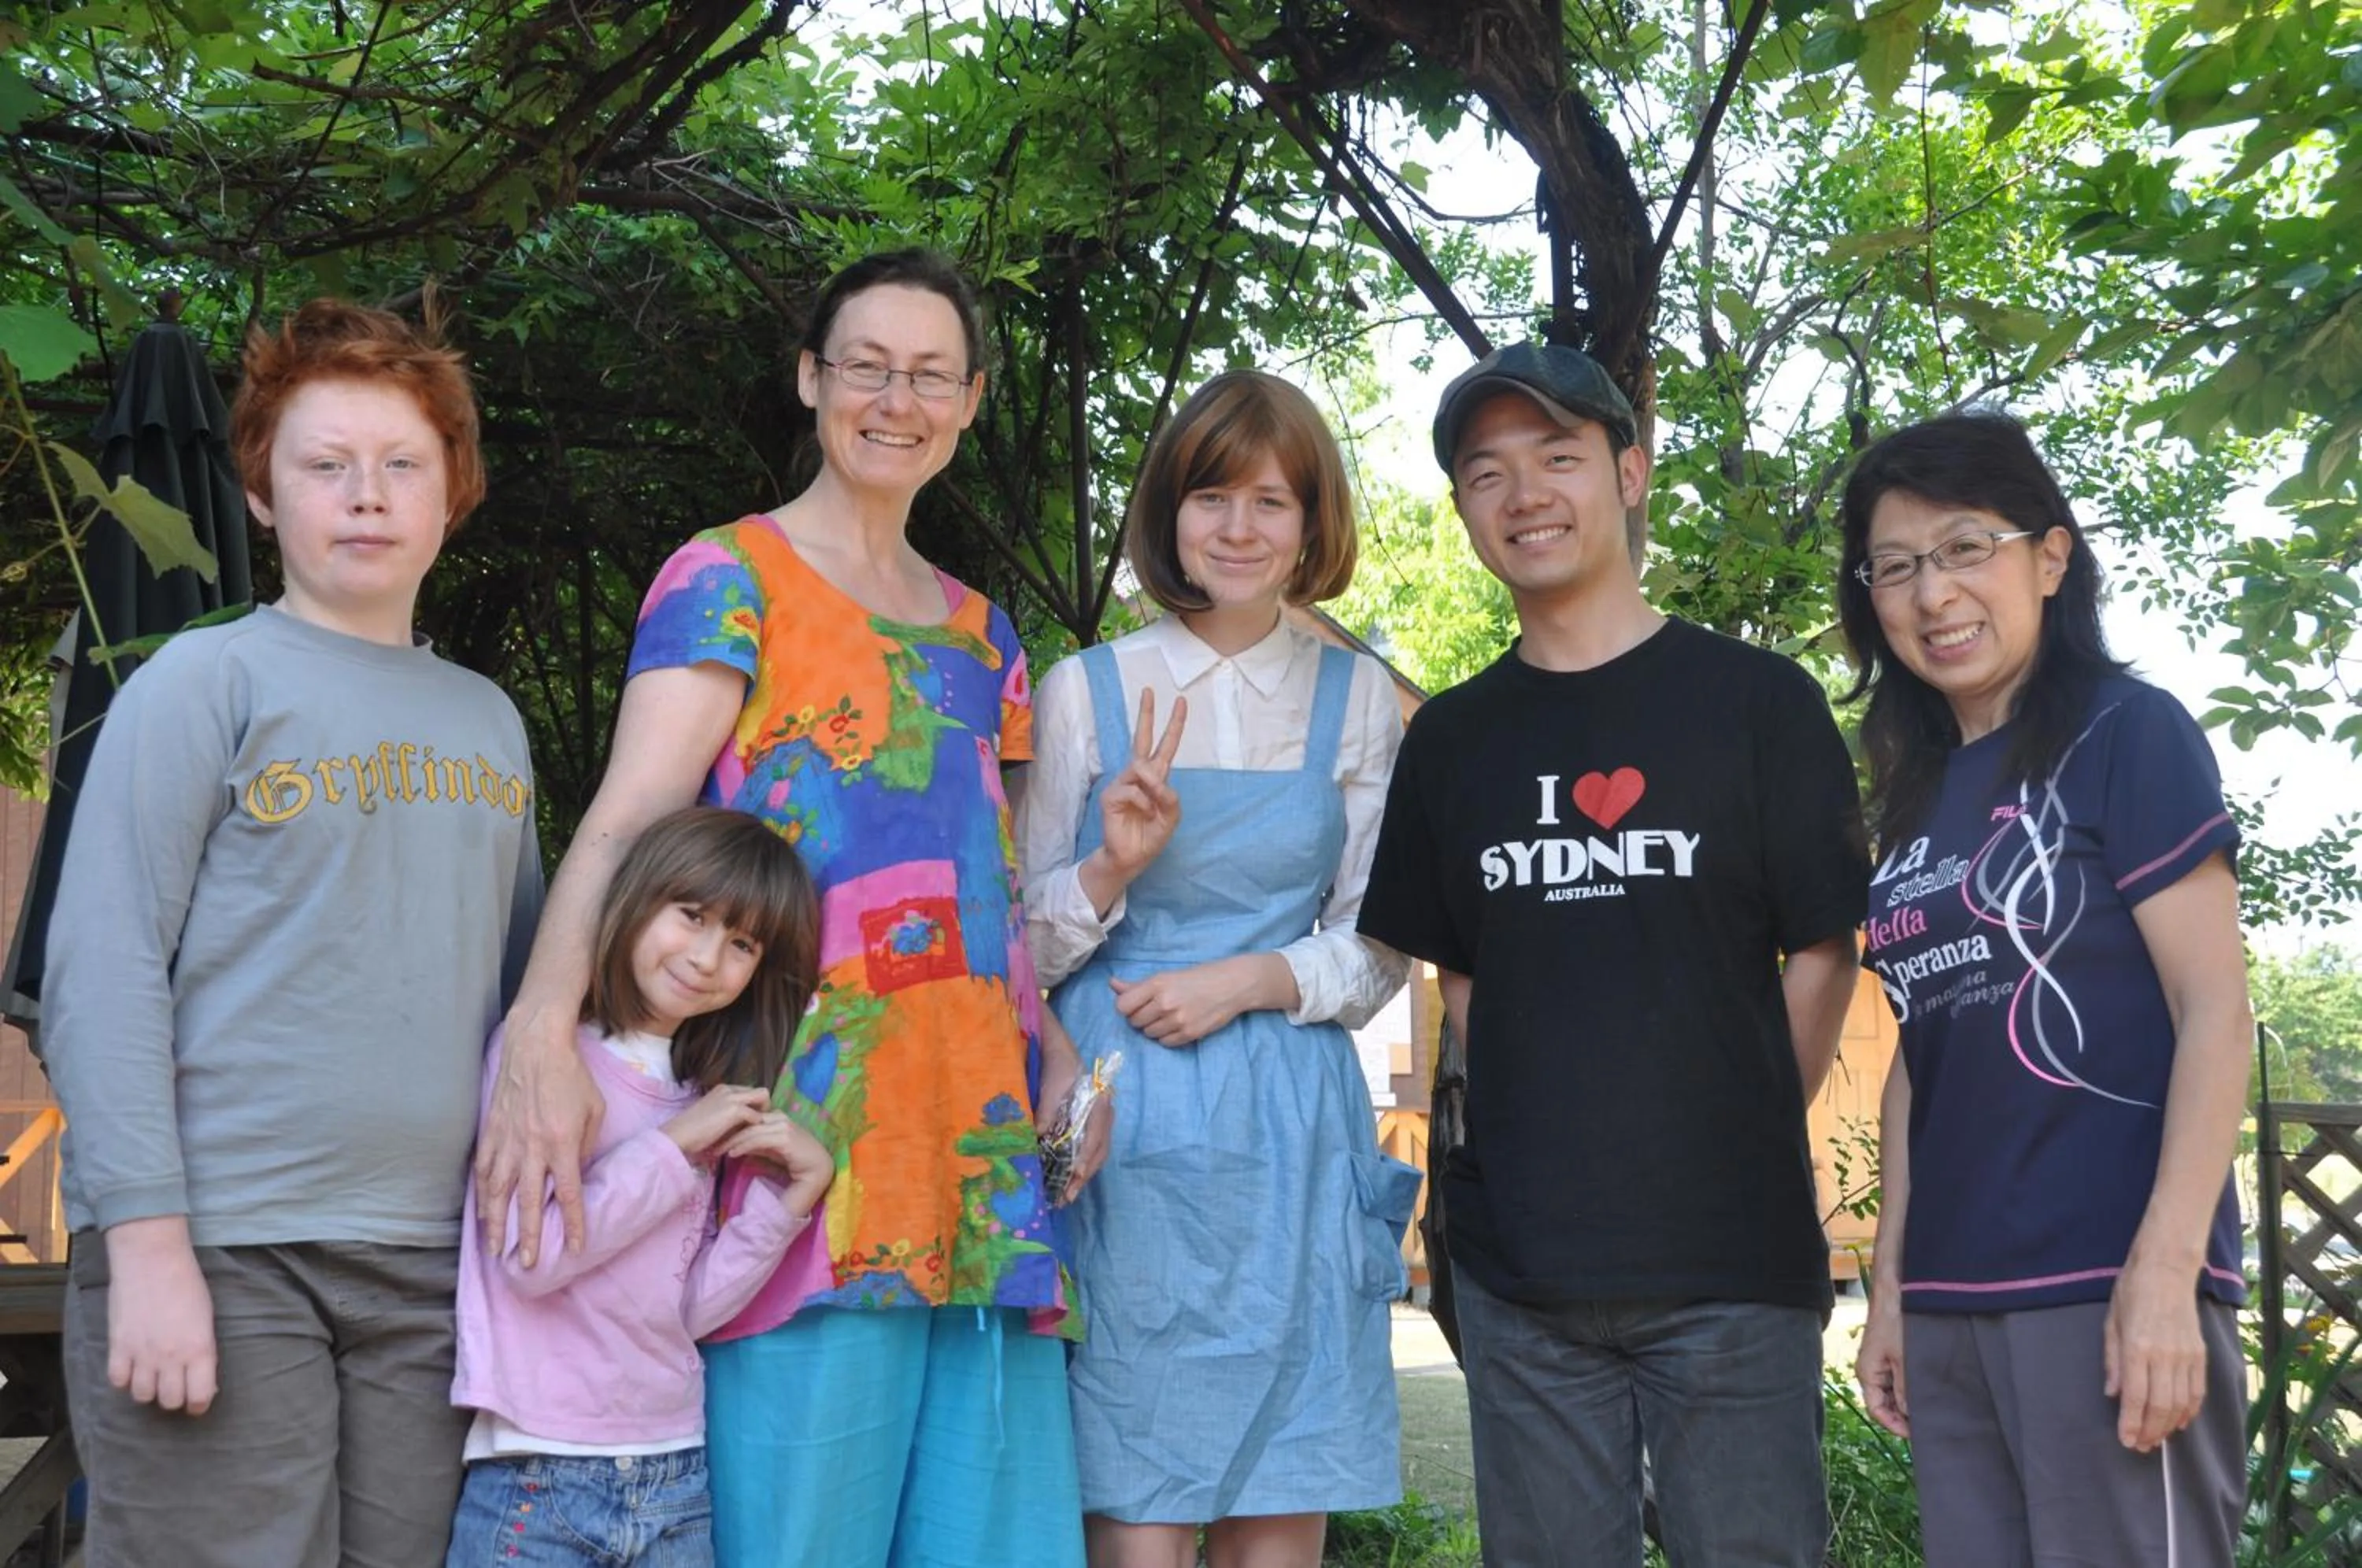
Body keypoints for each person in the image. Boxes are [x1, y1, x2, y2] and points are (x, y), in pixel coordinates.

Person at [470, 249, 1099, 1568]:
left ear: (971, 400)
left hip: (980, 1169)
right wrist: (538, 1027)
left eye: (930, 374)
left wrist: (1051, 1045)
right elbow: (629, 821)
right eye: (867, 365)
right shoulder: (727, 577)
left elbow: (980, 880)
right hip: (797, 1156)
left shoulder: (987, 638)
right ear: (812, 378)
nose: (896, 399)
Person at [43, 297, 544, 1567]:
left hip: (435, 1265)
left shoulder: (489, 720)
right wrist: (148, 1244)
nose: (366, 494)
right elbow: (100, 969)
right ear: (262, 494)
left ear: (453, 495)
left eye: (402, 465)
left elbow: (524, 1001)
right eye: (326, 464)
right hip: (225, 1244)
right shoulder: (201, 683)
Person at [1357, 342, 1867, 1568]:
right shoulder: (1454, 741)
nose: (1524, 494)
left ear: (1629, 474)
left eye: (1558, 458)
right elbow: (1464, 976)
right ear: (1465, 509)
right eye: (1487, 473)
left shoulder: (1760, 703)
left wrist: (1742, 1123)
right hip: (1525, 1272)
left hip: (1731, 1259)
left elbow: (1823, 950)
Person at [1016, 371, 1420, 1568]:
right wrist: (1111, 869)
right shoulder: (1084, 691)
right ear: (1169, 512)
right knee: (1134, 1516)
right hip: (1118, 1126)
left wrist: (1246, 981)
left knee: (1281, 1501)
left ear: (1311, 522)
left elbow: (1380, 942)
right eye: (1211, 498)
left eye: (1271, 501)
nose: (1239, 528)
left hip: (1291, 1130)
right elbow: (1016, 948)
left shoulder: (1359, 697)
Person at [1840, 413, 2251, 1566]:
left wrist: (2167, 1273)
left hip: (2105, 1287)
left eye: (1966, 548)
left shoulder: (2130, 733)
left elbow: (2216, 1011)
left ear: (2051, 558)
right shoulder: (1914, 798)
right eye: (1896, 566)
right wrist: (1893, 1291)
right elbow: (1921, 1059)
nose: (1934, 594)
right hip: (1953, 1301)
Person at [448, 805, 831, 1567]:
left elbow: (681, 1313)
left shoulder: (703, 1097)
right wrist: (673, 1146)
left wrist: (790, 1200)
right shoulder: (545, 1063)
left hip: (675, 1474)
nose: (707, 957)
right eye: (692, 915)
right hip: (538, 1472)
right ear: (639, 896)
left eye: (742, 943)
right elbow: (531, 1260)